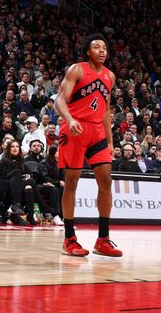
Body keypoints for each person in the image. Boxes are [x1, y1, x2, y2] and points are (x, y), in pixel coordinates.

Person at [56, 34, 121, 257]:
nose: (102, 50)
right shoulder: (77, 69)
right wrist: (70, 119)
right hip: (75, 129)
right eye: (96, 47)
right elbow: (60, 100)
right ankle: (69, 238)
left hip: (97, 132)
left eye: (105, 47)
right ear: (88, 52)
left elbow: (105, 110)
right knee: (71, 182)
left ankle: (103, 239)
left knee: (106, 180)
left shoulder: (110, 76)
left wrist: (110, 141)